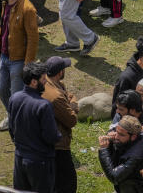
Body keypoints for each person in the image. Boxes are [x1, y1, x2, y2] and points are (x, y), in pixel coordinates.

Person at [0, 0, 39, 131]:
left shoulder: (28, 9)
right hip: (5, 56)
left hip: (18, 61)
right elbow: (3, 27)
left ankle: (19, 123)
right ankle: (12, 114)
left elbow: (33, 39)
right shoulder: (6, 2)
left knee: (17, 95)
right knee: (1, 89)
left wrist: (28, 64)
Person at [8, 61, 61, 193]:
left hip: (19, 159)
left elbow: (11, 128)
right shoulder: (44, 105)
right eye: (43, 79)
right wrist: (59, 135)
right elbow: (51, 136)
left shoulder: (14, 98)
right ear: (33, 82)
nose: (46, 82)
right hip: (40, 162)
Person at [43, 55, 79, 193]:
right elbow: (71, 120)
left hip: (50, 142)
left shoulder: (51, 83)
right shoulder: (55, 96)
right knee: (67, 183)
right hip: (58, 146)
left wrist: (70, 102)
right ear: (60, 72)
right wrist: (73, 106)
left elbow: (69, 95)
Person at [98, 114, 143, 193]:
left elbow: (114, 177)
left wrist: (104, 150)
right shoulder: (129, 135)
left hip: (138, 186)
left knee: (127, 184)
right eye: (116, 131)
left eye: (121, 135)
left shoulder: (136, 155)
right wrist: (110, 136)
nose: (116, 136)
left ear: (133, 136)